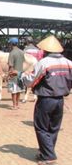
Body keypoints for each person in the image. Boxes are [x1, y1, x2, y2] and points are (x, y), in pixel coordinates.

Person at [10, 35, 72, 165]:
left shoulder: (44, 63)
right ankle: (46, 151)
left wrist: (21, 75)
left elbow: (31, 81)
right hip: (60, 100)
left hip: (45, 100)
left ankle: (49, 156)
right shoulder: (68, 63)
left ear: (45, 50)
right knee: (53, 128)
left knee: (41, 127)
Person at [7, 37, 25, 110]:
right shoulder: (22, 52)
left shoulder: (12, 53)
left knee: (13, 91)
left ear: (11, 44)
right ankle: (17, 104)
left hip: (13, 74)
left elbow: (11, 65)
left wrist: (9, 74)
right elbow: (23, 62)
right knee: (18, 90)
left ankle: (14, 105)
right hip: (20, 74)